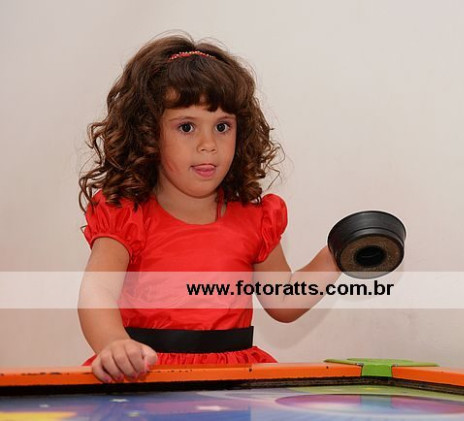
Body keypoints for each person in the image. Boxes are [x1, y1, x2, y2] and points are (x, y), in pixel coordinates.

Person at [78, 33, 340, 383]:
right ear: (148, 133)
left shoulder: (254, 218)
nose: (208, 144)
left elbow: (284, 301)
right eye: (187, 127)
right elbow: (97, 293)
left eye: (222, 126)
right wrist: (113, 344)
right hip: (145, 376)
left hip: (233, 380)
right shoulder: (126, 215)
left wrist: (336, 256)